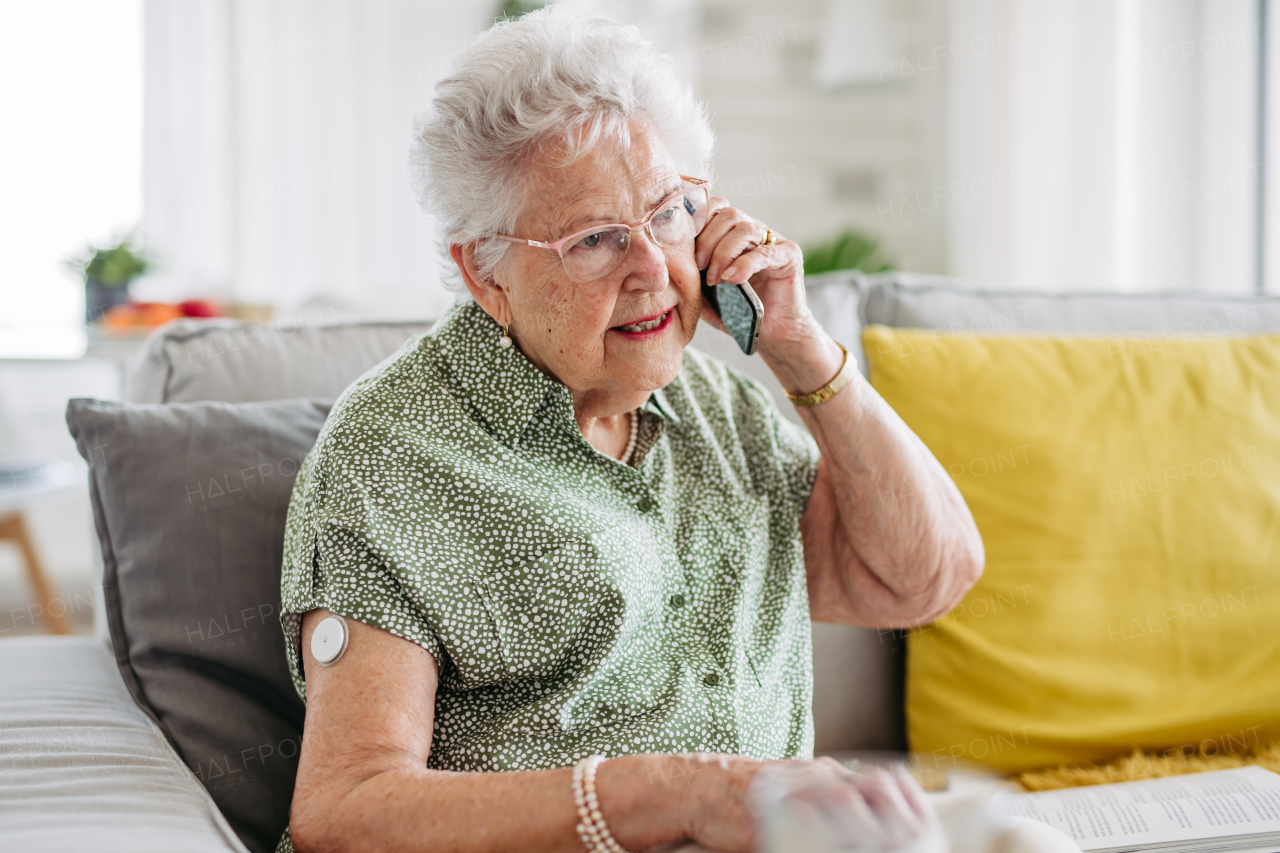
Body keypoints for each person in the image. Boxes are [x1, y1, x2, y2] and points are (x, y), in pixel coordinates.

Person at [277, 7, 983, 853]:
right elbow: (344, 812)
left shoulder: (725, 411)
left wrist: (802, 352)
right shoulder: (396, 451)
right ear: (484, 269)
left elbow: (923, 579)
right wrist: (676, 794)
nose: (653, 269)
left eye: (671, 212)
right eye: (596, 240)